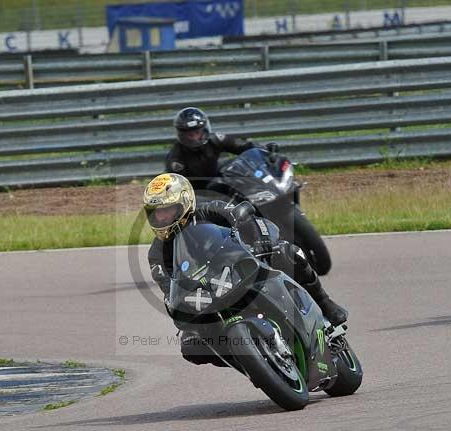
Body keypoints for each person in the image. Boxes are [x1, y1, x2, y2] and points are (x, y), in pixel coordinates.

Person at [144, 172, 347, 365]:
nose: (162, 218)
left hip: (242, 265)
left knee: (287, 252)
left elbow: (245, 218)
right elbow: (168, 287)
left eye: (167, 210)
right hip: (207, 293)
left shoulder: (209, 210)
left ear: (185, 203)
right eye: (157, 213)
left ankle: (325, 302)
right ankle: (251, 361)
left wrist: (262, 240)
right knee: (192, 347)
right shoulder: (157, 253)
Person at [165, 107, 259, 189]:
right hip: (198, 194)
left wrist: (264, 149)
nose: (194, 138)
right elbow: (179, 187)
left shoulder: (216, 139)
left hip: (218, 180)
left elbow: (244, 147)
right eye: (190, 135)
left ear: (204, 130)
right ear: (182, 135)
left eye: (197, 133)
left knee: (236, 165)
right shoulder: (176, 158)